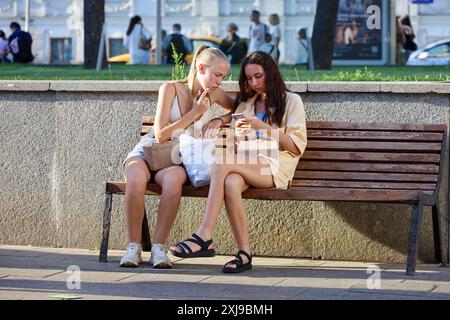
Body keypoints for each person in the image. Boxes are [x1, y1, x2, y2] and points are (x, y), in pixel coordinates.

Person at [170, 51, 307, 273]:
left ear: (270, 73)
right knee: (231, 182)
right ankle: (244, 253)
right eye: (249, 78)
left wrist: (260, 127)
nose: (254, 83)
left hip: (273, 167)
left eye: (258, 76)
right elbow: (234, 122)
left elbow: (295, 146)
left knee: (223, 163)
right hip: (246, 163)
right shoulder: (248, 101)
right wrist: (221, 121)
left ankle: (204, 234)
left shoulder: (291, 101)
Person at [120, 44, 234, 269]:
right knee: (135, 178)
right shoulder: (170, 88)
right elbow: (161, 134)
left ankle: (158, 248)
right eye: (217, 75)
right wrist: (195, 114)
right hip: (150, 149)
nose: (220, 81)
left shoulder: (214, 94)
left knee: (173, 182)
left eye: (223, 76)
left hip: (176, 158)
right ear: (201, 68)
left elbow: (240, 110)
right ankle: (133, 247)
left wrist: (219, 120)